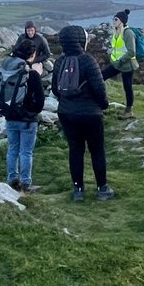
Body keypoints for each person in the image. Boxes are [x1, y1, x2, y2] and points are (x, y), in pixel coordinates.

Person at [52, 25, 114, 201]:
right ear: (81, 40)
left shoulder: (59, 62)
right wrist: (103, 105)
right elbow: (99, 89)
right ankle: (102, 189)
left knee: (75, 150)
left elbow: (56, 90)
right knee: (97, 151)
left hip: (66, 113)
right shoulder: (88, 61)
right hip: (90, 114)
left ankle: (78, 191)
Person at [0, 42, 46, 192]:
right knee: (26, 152)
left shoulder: (8, 70)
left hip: (10, 116)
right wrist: (32, 113)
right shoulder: (31, 74)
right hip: (27, 120)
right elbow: (40, 102)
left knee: (12, 149)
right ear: (31, 55)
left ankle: (12, 180)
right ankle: (26, 183)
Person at [101, 10, 138, 118]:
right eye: (114, 19)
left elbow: (132, 52)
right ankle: (101, 102)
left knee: (127, 87)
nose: (114, 21)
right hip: (118, 64)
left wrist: (120, 60)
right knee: (101, 76)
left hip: (127, 65)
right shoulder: (117, 32)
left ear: (122, 21)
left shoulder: (128, 33)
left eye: (116, 19)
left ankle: (129, 111)